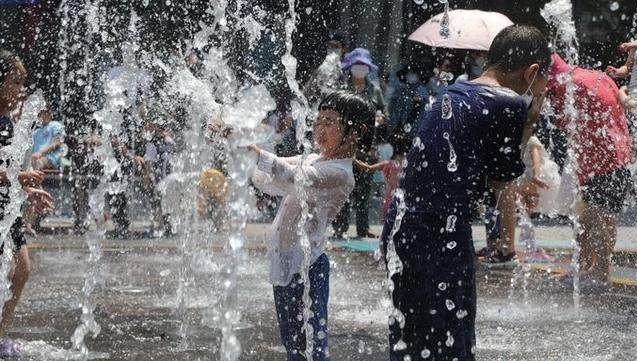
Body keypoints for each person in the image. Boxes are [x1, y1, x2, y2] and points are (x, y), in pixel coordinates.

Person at [380, 26, 550, 361]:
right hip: (439, 230)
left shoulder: (453, 90)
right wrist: (507, 246)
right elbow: (504, 183)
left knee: (410, 338)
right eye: (543, 80)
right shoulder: (507, 101)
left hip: (401, 226)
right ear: (531, 72)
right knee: (451, 342)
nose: (543, 89)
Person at [248, 91, 375, 361]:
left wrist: (256, 153)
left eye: (330, 121)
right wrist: (243, 146)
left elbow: (295, 177)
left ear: (355, 132)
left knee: (311, 347)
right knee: (293, 345)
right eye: (318, 121)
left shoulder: (341, 173)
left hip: (308, 267)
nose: (319, 128)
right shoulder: (313, 158)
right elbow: (267, 181)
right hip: (284, 262)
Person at [547, 52, 635, 291]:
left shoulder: (568, 85)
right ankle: (591, 269)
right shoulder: (591, 76)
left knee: (599, 218)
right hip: (614, 155)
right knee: (593, 217)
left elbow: (564, 122)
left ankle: (599, 273)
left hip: (601, 160)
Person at [0, 49, 54, 356]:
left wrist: (26, 189)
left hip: (5, 206)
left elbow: (8, 169)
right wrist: (16, 178)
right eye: (15, 81)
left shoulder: (5, 121)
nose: (20, 90)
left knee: (21, 268)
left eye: (22, 83)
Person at [331, 48, 386, 239]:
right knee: (344, 185)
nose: (360, 69)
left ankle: (363, 227)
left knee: (364, 189)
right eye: (357, 65)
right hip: (345, 144)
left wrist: (379, 119)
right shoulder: (342, 89)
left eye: (363, 65)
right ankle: (340, 226)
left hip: (368, 145)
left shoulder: (374, 90)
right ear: (351, 67)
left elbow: (383, 113)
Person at [31, 100, 66, 170]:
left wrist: (40, 153)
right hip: (35, 158)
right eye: (39, 111)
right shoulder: (36, 132)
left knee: (37, 162)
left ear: (49, 111)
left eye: (42, 111)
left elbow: (58, 142)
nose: (40, 113)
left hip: (50, 158)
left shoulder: (56, 125)